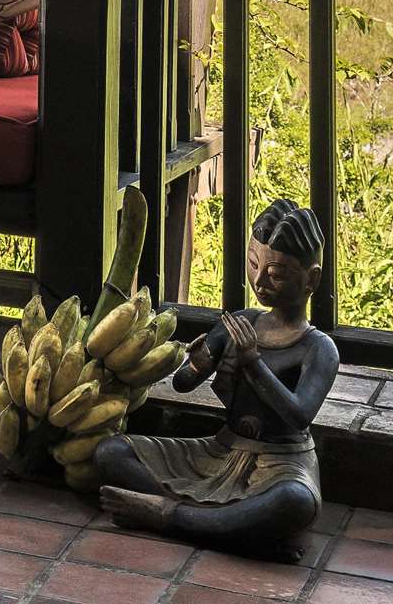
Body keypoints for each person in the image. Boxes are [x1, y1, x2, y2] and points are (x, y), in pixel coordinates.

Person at [93, 200, 335, 552]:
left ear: (311, 278)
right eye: (254, 264)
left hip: (280, 462)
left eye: (277, 273)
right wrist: (197, 363)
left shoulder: (318, 348)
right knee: (110, 452)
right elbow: (182, 384)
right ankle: (232, 530)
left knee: (296, 502)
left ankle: (168, 516)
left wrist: (253, 362)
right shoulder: (243, 321)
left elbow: (299, 415)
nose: (259, 281)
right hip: (219, 450)